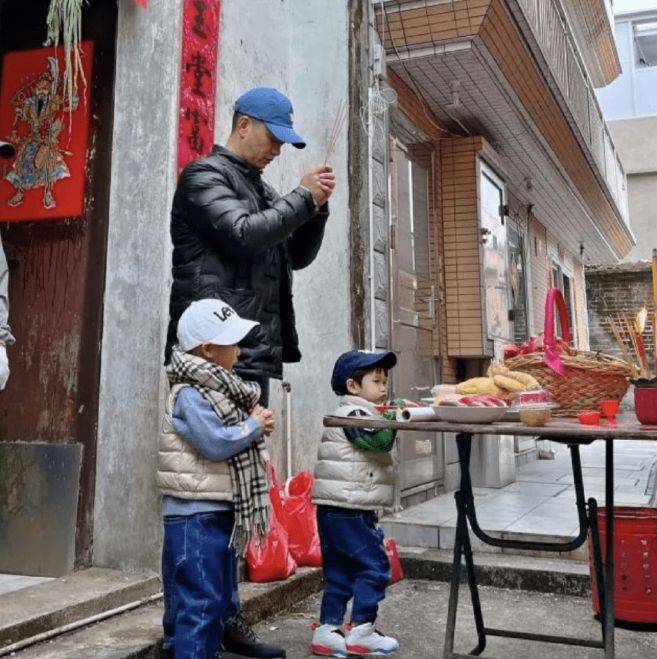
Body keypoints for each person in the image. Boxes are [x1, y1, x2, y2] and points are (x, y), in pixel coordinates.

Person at [166, 87, 336, 407]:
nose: (277, 150)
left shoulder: (266, 193)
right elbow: (242, 235)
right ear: (244, 125)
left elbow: (295, 257)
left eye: (282, 143)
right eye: (273, 138)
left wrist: (316, 209)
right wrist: (302, 198)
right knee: (212, 451)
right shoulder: (204, 175)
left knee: (249, 452)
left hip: (252, 352)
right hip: (209, 353)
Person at [159, 298, 285, 659]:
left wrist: (255, 424)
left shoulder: (217, 390)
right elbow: (216, 442)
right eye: (233, 343)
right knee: (200, 600)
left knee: (211, 593)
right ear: (209, 350)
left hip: (213, 506)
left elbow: (233, 432)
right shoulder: (191, 394)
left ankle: (204, 647)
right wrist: (251, 426)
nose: (240, 351)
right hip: (194, 513)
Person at [311, 350, 402, 657]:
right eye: (376, 380)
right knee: (374, 567)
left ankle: (328, 630)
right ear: (353, 387)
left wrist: (390, 414)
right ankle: (362, 629)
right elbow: (379, 441)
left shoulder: (363, 413)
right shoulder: (353, 415)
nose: (384, 387)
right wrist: (396, 414)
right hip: (349, 509)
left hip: (338, 507)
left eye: (385, 380)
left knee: (340, 571)